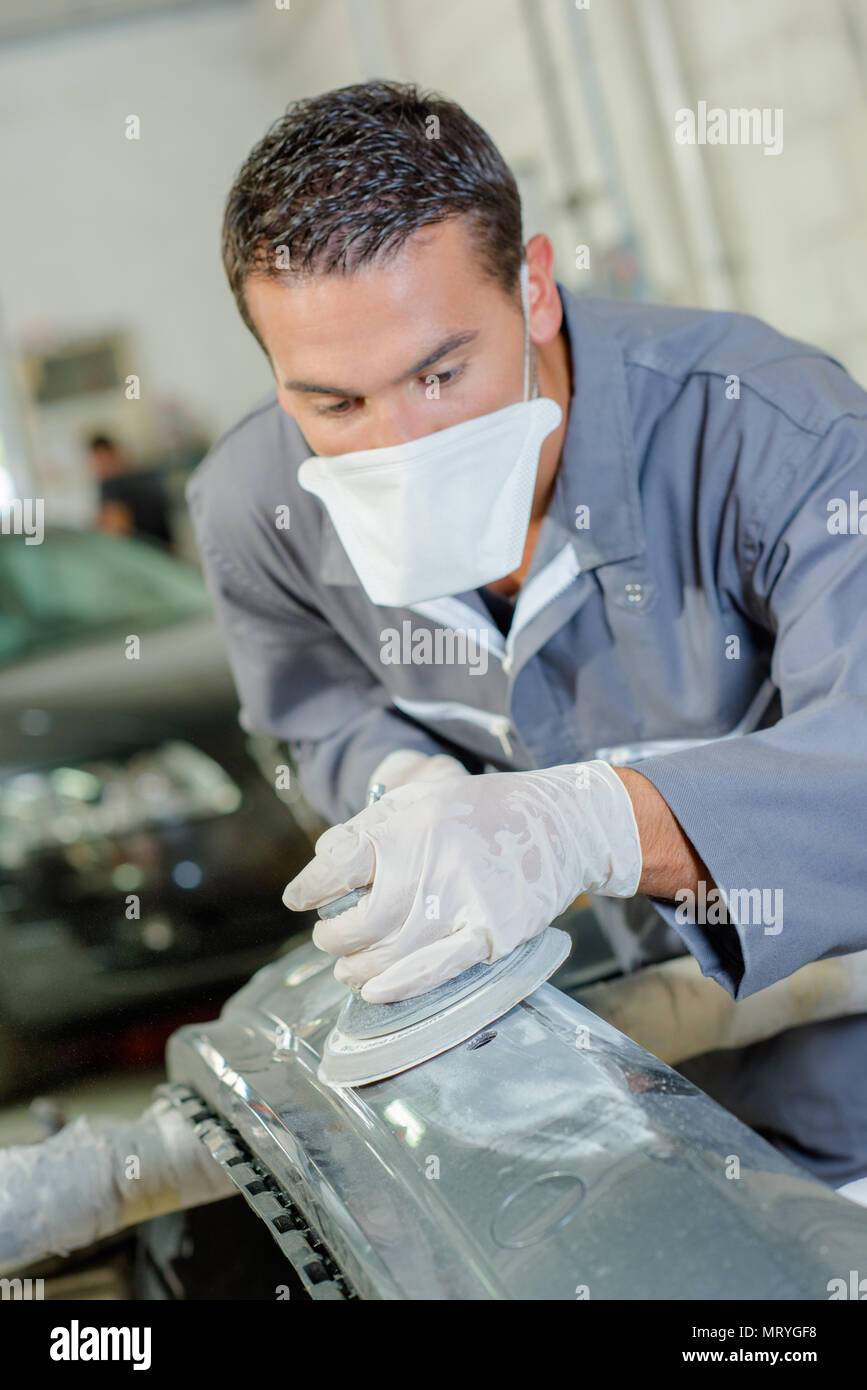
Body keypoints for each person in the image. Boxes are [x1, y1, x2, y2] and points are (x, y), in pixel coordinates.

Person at [186, 81, 867, 1192]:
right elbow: (317, 719)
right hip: (575, 1136)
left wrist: (590, 823)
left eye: (440, 372)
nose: (399, 444)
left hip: (846, 1110)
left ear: (537, 289)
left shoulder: (770, 429)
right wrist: (395, 779)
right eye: (335, 404)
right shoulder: (250, 505)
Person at [87, 433, 173, 547]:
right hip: (165, 554)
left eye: (97, 460)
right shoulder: (144, 478)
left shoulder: (111, 485)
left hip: (142, 556)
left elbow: (116, 530)